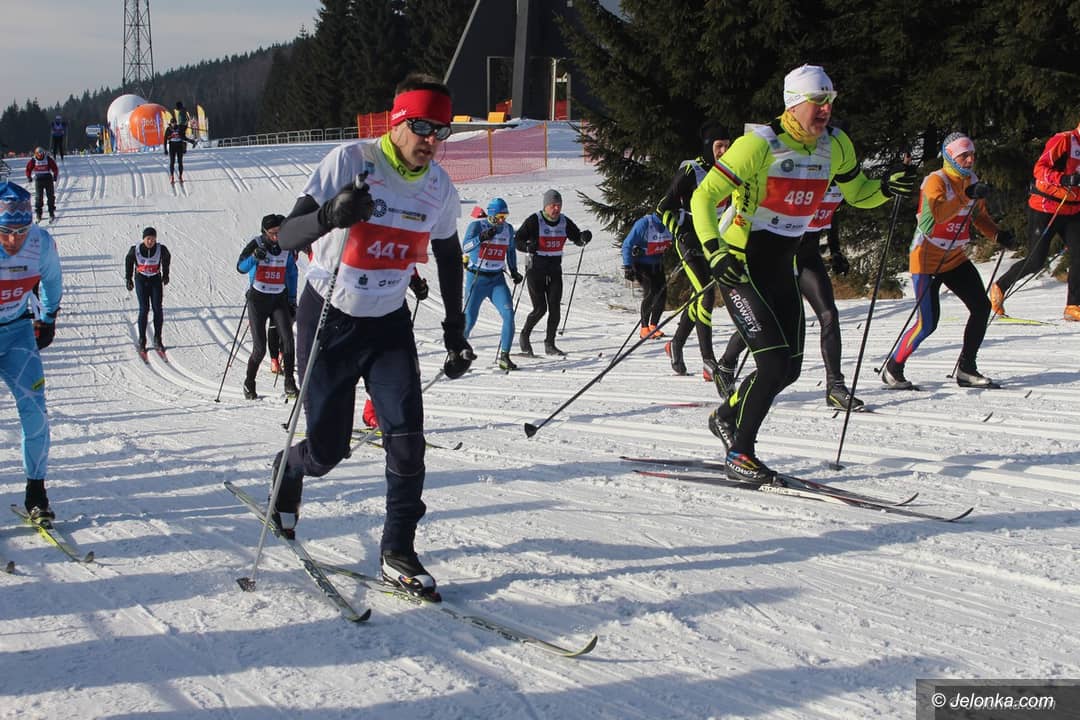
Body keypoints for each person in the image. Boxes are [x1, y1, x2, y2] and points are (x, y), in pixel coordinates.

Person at [272, 73, 473, 600]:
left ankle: (398, 551)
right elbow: (287, 235)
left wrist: (455, 329)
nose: (432, 140)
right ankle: (289, 469)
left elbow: (448, 255)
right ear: (398, 121)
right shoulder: (351, 162)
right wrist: (329, 215)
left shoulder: (439, 187)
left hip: (388, 323)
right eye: (424, 127)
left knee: (407, 443)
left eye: (443, 131)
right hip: (330, 317)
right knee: (327, 451)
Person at [691, 64, 919, 484]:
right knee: (773, 363)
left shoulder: (835, 144)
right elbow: (703, 198)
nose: (826, 109)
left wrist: (887, 188)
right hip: (741, 264)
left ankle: (725, 417)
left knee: (790, 368)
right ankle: (740, 453)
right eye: (818, 101)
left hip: (783, 264)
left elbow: (858, 192)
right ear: (794, 104)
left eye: (830, 101)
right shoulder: (758, 144)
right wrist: (714, 251)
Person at [881, 132, 1016, 390]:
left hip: (954, 257)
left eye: (972, 154)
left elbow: (978, 217)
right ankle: (893, 369)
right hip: (926, 259)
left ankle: (967, 369)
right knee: (927, 323)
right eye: (964, 155)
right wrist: (967, 195)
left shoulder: (972, 181)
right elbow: (938, 215)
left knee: (981, 307)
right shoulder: (936, 181)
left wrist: (998, 235)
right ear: (951, 157)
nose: (970, 160)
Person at [717, 180, 865, 410]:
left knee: (829, 314)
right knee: (766, 320)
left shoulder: (842, 179)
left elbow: (833, 214)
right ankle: (727, 363)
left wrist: (835, 249)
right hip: (779, 256)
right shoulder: (806, 173)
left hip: (807, 257)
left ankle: (835, 387)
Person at [0, 182, 62, 521]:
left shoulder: (40, 244)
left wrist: (49, 317)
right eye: (5, 233)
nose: (13, 241)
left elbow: (53, 280)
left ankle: (36, 493)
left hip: (17, 334)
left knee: (36, 413)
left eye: (20, 232)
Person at [657, 121, 733, 387]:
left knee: (700, 296)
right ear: (708, 146)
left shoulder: (730, 170)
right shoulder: (692, 170)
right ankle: (708, 360)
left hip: (714, 240)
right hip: (689, 240)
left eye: (727, 146)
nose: (724, 151)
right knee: (707, 295)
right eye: (719, 146)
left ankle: (676, 344)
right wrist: (679, 233)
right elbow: (663, 207)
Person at [989, 119, 1080, 321]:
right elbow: (1040, 168)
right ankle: (1000, 286)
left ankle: (1073, 305)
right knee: (1036, 261)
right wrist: (1063, 179)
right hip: (1046, 207)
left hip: (1073, 209)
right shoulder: (1064, 140)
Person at [513, 189, 592, 356]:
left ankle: (550, 344)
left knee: (555, 308)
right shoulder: (534, 220)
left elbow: (577, 239)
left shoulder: (564, 221)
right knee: (540, 308)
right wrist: (527, 247)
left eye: (559, 205)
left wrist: (584, 238)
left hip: (555, 268)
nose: (556, 209)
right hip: (535, 268)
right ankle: (524, 335)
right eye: (553, 205)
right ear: (545, 206)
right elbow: (517, 241)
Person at [237, 214, 298, 399]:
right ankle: (249, 382)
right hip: (258, 299)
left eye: (279, 232)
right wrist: (254, 257)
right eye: (272, 233)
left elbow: (292, 273)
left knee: (288, 340)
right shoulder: (256, 243)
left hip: (279, 298)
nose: (276, 236)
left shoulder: (286, 246)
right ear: (264, 232)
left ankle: (289, 383)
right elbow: (240, 267)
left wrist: (292, 299)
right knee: (260, 348)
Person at [463, 197, 523, 370]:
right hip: (477, 278)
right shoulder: (476, 226)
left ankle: (504, 356)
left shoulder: (508, 229)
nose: (502, 220)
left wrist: (514, 271)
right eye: (499, 217)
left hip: (496, 280)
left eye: (505, 216)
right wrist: (481, 238)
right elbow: (465, 247)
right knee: (469, 320)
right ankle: (457, 354)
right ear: (491, 215)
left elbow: (510, 251)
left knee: (509, 314)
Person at [620, 213, 673, 339]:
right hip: (641, 265)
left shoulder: (671, 223)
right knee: (651, 292)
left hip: (657, 264)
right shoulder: (644, 224)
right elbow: (627, 244)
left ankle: (654, 326)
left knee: (662, 294)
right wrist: (628, 267)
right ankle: (644, 328)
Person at [124, 226, 172, 353]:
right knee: (144, 308)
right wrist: (128, 279)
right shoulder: (136, 249)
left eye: (153, 239)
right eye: (148, 239)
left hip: (155, 279)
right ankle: (142, 340)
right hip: (141, 280)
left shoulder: (161, 249)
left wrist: (166, 274)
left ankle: (157, 339)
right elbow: (128, 260)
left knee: (157, 308)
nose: (150, 241)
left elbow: (167, 258)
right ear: (144, 239)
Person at [24, 147, 59, 222]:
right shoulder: (33, 160)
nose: (40, 155)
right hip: (38, 180)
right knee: (39, 198)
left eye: (41, 153)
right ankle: (39, 214)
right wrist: (29, 177)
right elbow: (28, 169)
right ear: (36, 154)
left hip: (48, 179)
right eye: (38, 154)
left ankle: (51, 212)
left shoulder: (48, 159)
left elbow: (55, 168)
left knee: (50, 196)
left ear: (43, 153)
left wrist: (55, 175)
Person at [163, 119, 195, 185]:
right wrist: (165, 149)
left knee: (180, 162)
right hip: (172, 146)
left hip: (179, 146)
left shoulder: (179, 128)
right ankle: (172, 176)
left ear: (176, 123)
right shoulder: (168, 129)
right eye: (172, 123)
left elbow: (184, 134)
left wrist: (191, 141)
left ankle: (180, 176)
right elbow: (165, 139)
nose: (174, 124)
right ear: (171, 123)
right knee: (172, 162)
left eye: (174, 123)